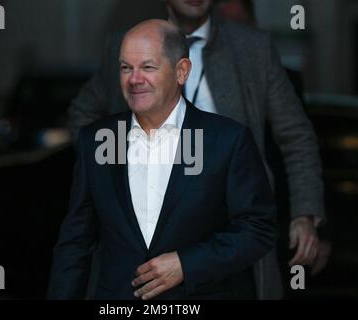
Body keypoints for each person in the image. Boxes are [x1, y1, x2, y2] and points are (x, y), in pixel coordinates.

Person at [67, 0, 325, 299]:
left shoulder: (252, 47)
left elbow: (296, 135)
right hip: (145, 233)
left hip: (233, 229)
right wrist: (110, 172)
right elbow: (82, 116)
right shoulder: (127, 47)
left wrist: (304, 212)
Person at [216, 0, 332, 280]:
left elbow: (302, 147)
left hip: (274, 224)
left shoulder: (280, 77)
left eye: (239, 28)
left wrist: (314, 225)